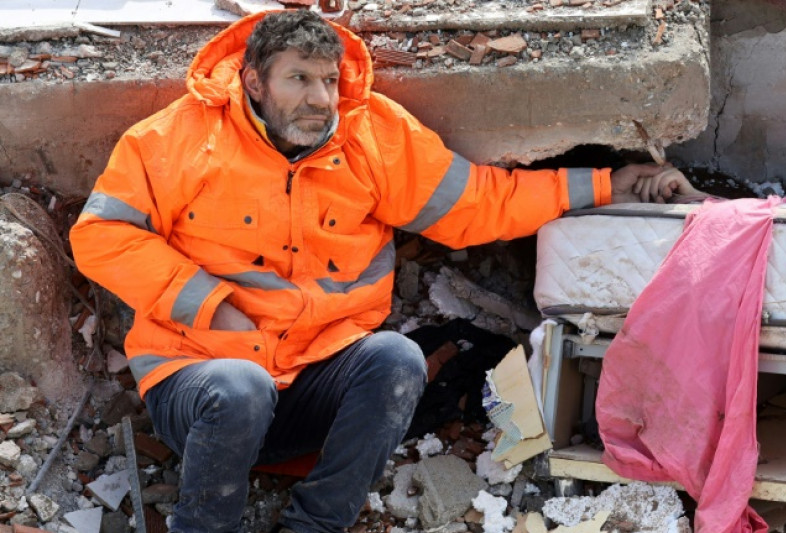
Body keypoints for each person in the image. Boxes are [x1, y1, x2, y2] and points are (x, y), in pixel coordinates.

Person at [70, 9, 707, 533]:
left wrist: (608, 183)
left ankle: (314, 525)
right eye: (299, 80)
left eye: (328, 80)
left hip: (315, 382)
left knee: (399, 360)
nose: (320, 99)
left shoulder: (372, 136)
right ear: (254, 83)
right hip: (206, 391)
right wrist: (207, 303)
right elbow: (98, 236)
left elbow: (480, 204)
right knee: (240, 386)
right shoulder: (175, 139)